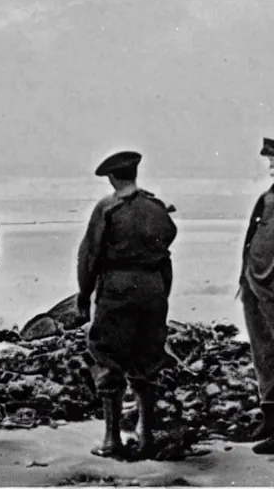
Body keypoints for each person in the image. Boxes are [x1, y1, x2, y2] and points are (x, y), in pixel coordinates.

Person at [77, 151, 178, 459]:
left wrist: (84, 295)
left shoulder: (107, 208)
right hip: (153, 287)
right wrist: (162, 294)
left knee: (108, 356)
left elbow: (90, 255)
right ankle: (146, 435)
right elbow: (167, 251)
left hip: (118, 287)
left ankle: (111, 440)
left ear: (111, 178)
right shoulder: (156, 207)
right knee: (148, 357)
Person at [238, 137, 274, 454]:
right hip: (257, 285)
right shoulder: (267, 198)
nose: (272, 166)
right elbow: (253, 236)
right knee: (263, 351)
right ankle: (270, 419)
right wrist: (245, 276)